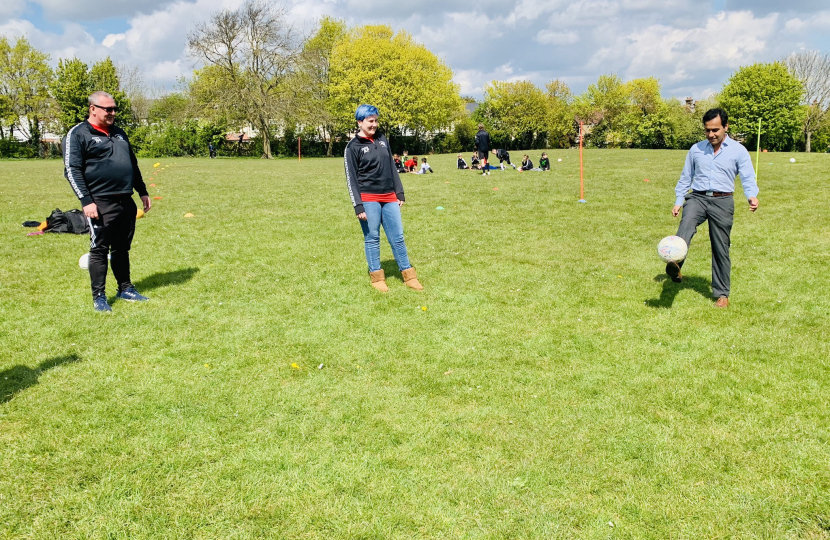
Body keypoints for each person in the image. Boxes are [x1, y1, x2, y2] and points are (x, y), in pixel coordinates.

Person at [62, 91, 151, 312]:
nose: (112, 113)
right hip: (99, 202)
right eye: (108, 109)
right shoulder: (78, 134)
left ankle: (125, 288)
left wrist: (142, 191)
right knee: (99, 248)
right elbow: (71, 170)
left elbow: (133, 163)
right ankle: (99, 297)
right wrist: (86, 201)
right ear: (93, 109)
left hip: (125, 200)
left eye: (114, 109)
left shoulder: (120, 133)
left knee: (122, 248)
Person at [667, 108, 759, 308]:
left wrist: (751, 195)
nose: (711, 135)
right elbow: (686, 176)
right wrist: (678, 200)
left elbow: (747, 175)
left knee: (720, 247)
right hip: (698, 197)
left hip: (723, 200)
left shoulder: (738, 150)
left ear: (726, 127)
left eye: (715, 130)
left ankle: (722, 294)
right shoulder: (696, 149)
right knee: (686, 225)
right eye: (707, 130)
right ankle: (675, 266)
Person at [344, 104, 423, 292]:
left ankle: (409, 275)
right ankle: (377, 277)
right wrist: (358, 206)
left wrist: (399, 192)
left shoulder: (381, 139)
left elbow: (391, 167)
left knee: (398, 238)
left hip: (389, 197)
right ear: (360, 122)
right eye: (370, 121)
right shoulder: (352, 147)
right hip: (368, 198)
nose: (374, 125)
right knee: (372, 238)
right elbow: (351, 179)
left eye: (376, 121)